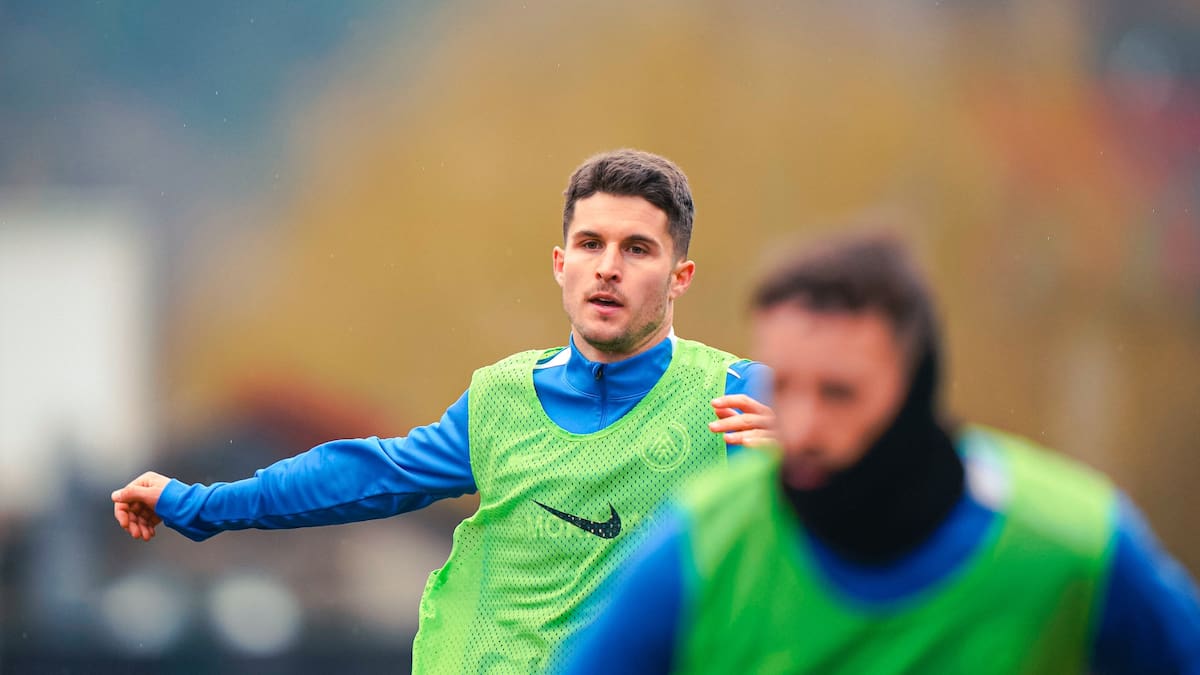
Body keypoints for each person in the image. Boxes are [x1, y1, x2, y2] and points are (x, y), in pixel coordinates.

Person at [110, 149, 774, 673]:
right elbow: (368, 475)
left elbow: (822, 537)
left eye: (637, 249)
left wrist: (821, 464)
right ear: (560, 263)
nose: (607, 267)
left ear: (680, 277)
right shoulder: (501, 399)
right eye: (590, 243)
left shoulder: (742, 397)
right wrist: (198, 505)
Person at [559, 232, 1200, 674]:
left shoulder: (1073, 541)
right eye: (785, 387)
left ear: (916, 392)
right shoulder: (704, 542)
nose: (802, 428)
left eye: (839, 393)